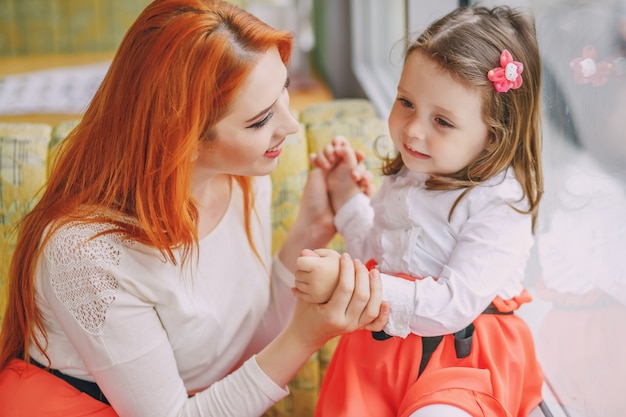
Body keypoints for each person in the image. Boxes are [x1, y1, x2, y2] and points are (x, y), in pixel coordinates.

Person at [0, 0, 388, 416]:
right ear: (182, 138)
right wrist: (305, 336)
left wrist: (311, 229)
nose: (291, 125)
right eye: (260, 120)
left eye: (284, 88)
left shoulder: (241, 176)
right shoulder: (85, 256)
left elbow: (240, 346)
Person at [294, 6, 545, 417]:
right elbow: (375, 252)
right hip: (383, 354)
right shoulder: (409, 176)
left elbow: (452, 305)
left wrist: (354, 285)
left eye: (442, 121)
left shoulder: (499, 205)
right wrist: (346, 197)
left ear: (494, 135)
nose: (412, 129)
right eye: (406, 102)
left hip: (463, 359)